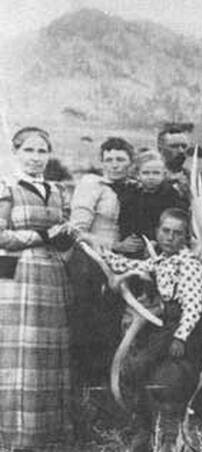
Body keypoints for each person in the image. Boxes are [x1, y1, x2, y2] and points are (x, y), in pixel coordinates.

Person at [94, 208, 202, 452]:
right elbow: (131, 263)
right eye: (166, 231)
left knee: (151, 367)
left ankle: (159, 430)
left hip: (189, 324)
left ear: (186, 238)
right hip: (170, 322)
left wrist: (181, 337)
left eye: (177, 234)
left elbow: (192, 307)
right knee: (139, 367)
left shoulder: (190, 265)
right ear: (157, 232)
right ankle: (144, 425)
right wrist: (104, 254)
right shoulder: (161, 260)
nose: (170, 237)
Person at [0, 127, 76, 449]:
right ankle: (16, 436)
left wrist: (68, 235)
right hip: (17, 277)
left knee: (50, 354)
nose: (35, 158)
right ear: (16, 153)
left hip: (53, 275)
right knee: (20, 354)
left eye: (41, 151)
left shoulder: (58, 190)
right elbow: (1, 237)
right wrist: (43, 236)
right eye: (29, 151)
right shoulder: (7, 189)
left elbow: (68, 236)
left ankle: (50, 434)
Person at [69, 137, 140, 387]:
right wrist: (115, 246)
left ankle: (105, 386)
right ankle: (83, 386)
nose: (114, 165)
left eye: (120, 159)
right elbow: (77, 231)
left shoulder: (132, 187)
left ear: (131, 163)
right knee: (87, 322)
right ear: (101, 161)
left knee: (111, 324)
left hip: (117, 266)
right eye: (108, 159)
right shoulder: (92, 184)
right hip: (89, 263)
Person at [118, 151, 188, 257]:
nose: (151, 177)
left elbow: (176, 220)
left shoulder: (170, 195)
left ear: (164, 174)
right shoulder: (133, 195)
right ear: (138, 175)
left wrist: (156, 240)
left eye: (156, 173)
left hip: (164, 242)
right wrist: (127, 238)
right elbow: (125, 219)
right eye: (146, 173)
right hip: (138, 242)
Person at [157, 123, 193, 204]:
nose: (181, 151)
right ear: (160, 149)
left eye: (184, 146)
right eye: (174, 146)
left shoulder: (196, 179)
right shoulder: (149, 176)